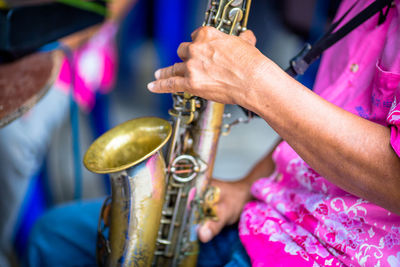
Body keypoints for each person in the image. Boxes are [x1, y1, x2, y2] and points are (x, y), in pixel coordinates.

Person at [26, 0, 400, 266]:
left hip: (339, 253)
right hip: (278, 211)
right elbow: (337, 103)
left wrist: (254, 82)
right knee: (51, 237)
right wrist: (246, 186)